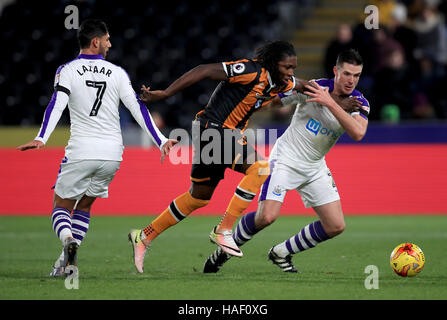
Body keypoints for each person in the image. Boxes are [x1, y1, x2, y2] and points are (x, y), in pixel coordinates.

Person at [17, 19, 177, 277]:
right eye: (107, 39)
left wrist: (42, 138)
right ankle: (63, 264)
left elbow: (57, 103)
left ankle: (68, 241)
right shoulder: (117, 73)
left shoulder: (67, 70)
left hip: (81, 150)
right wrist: (161, 140)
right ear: (96, 42)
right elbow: (138, 109)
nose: (110, 44)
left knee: (61, 206)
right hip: (112, 154)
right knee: (85, 206)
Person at [203, 49, 370, 273]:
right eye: (347, 73)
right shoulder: (313, 87)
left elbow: (358, 133)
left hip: (315, 167)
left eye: (357, 75)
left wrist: (330, 103)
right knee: (266, 217)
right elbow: (274, 101)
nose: (352, 80)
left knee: (335, 226)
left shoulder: (359, 101)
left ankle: (281, 252)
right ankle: (221, 253)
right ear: (335, 71)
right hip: (285, 160)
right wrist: (278, 103)